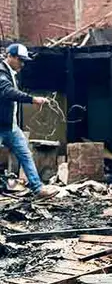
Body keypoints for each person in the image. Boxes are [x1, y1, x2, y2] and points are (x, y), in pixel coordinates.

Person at [0, 44, 59, 199]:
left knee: (25, 155)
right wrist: (32, 99)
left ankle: (38, 189)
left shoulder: (11, 73)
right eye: (20, 60)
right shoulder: (1, 71)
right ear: (10, 56)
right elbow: (7, 92)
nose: (23, 64)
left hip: (10, 126)